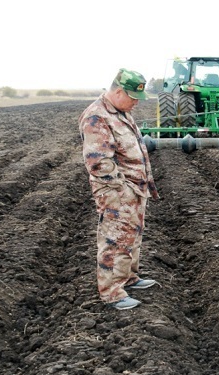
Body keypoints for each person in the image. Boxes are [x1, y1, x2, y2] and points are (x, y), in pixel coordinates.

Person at [78, 69, 159, 311]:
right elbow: (98, 162)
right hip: (115, 190)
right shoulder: (97, 117)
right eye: (133, 97)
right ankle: (111, 292)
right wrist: (122, 189)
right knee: (114, 238)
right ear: (118, 91)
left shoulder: (122, 112)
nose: (136, 102)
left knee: (131, 235)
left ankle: (128, 277)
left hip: (134, 188)